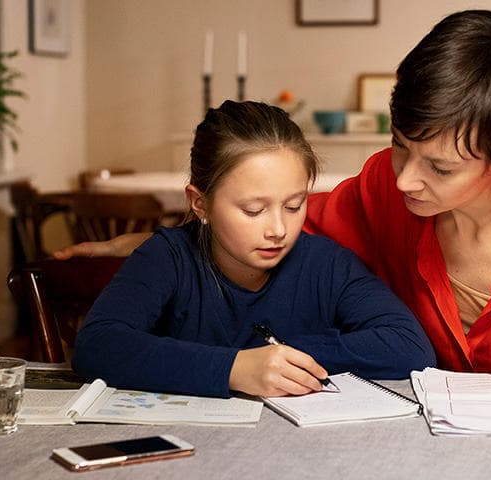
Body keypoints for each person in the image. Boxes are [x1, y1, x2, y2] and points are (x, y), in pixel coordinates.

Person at [58, 10, 491, 416]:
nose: (406, 179)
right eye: (400, 146)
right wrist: (152, 239)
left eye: (439, 167)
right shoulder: (387, 185)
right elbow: (279, 216)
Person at [71, 100, 436, 399]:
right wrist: (235, 367)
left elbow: (409, 347)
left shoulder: (327, 264)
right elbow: (97, 346)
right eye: (253, 210)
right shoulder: (168, 257)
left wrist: (282, 357)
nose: (278, 230)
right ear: (200, 204)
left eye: (294, 206)